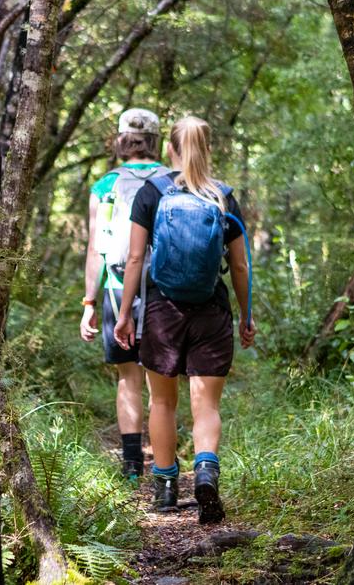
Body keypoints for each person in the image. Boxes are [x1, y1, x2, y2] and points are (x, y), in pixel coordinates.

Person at [114, 115, 256, 525]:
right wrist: (246, 316)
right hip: (212, 310)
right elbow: (240, 266)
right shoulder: (223, 198)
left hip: (163, 310)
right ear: (208, 148)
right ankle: (206, 471)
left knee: (162, 401)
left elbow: (135, 259)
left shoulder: (152, 193)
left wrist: (124, 315)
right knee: (205, 403)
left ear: (170, 148)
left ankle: (165, 489)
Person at [80, 108, 170, 480]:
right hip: (164, 290)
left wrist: (89, 301)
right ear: (155, 140)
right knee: (159, 381)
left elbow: (96, 248)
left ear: (121, 140)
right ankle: (164, 468)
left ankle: (132, 467)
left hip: (118, 288)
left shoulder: (106, 185)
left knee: (127, 376)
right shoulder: (171, 179)